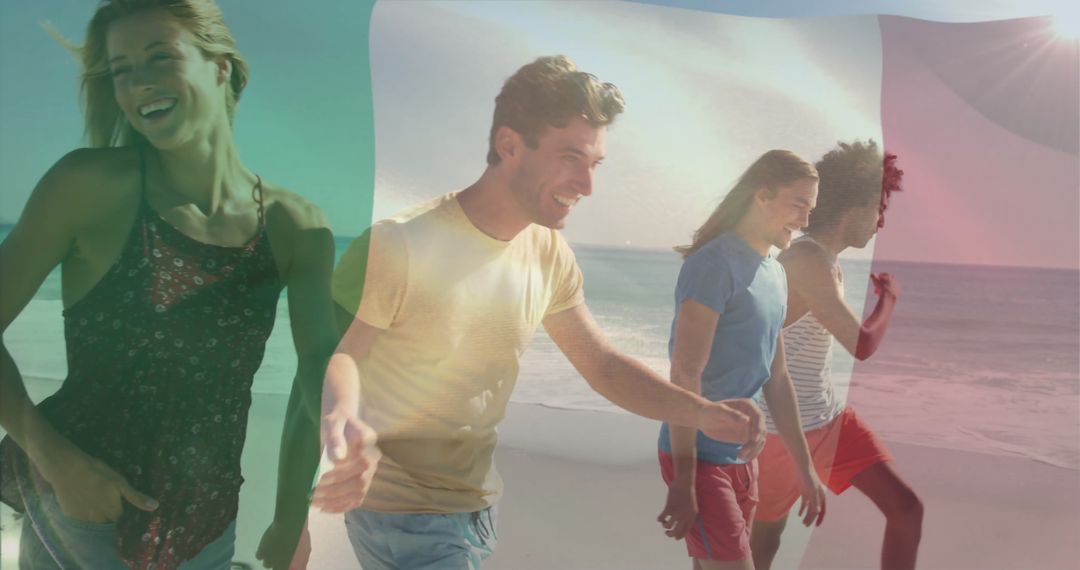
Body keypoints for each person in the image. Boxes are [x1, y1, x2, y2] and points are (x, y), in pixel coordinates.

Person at [312, 55, 767, 569]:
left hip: (477, 508)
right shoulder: (403, 243)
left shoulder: (547, 251)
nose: (587, 185)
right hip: (403, 513)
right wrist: (342, 416)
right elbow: (345, 354)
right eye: (570, 157)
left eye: (594, 164)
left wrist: (702, 412)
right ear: (509, 145)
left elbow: (603, 366)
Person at [0, 1, 335, 568]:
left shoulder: (295, 227)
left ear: (221, 66)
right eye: (123, 69)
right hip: (84, 517)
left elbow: (315, 380)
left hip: (209, 525)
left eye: (161, 58)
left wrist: (290, 516)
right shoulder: (89, 187)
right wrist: (55, 459)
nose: (140, 84)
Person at [749, 141, 922, 570]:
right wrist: (890, 299)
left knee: (906, 510)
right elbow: (861, 344)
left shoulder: (825, 261)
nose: (881, 220)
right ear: (855, 206)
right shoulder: (805, 260)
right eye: (878, 207)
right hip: (779, 431)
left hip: (828, 418)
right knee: (764, 540)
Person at [656, 150, 828, 570]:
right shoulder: (712, 265)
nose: (806, 221)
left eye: (811, 208)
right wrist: (683, 477)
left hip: (743, 457)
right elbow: (685, 374)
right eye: (799, 204)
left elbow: (778, 377)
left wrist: (804, 467)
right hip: (698, 454)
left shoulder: (775, 272)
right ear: (762, 195)